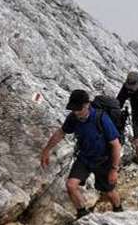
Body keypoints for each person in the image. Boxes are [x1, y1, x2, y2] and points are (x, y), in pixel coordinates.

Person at [40, 89, 123, 218]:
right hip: (84, 158)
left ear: (86, 105)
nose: (76, 112)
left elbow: (116, 145)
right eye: (73, 109)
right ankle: (83, 214)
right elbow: (60, 133)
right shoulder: (73, 117)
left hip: (104, 160)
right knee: (71, 185)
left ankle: (119, 211)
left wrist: (114, 169)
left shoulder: (101, 118)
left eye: (78, 109)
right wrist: (46, 150)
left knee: (109, 191)